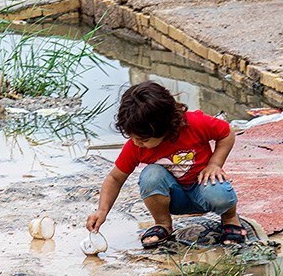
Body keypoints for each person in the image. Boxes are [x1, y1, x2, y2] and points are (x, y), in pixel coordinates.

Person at [86, 80, 246, 248]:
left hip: (204, 189)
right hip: (173, 198)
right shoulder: (136, 146)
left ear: (165, 128)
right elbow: (115, 179)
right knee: (151, 175)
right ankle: (163, 224)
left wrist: (214, 164)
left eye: (143, 140)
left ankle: (229, 219)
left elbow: (227, 133)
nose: (137, 143)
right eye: (133, 137)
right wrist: (102, 210)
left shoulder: (195, 123)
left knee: (219, 191)